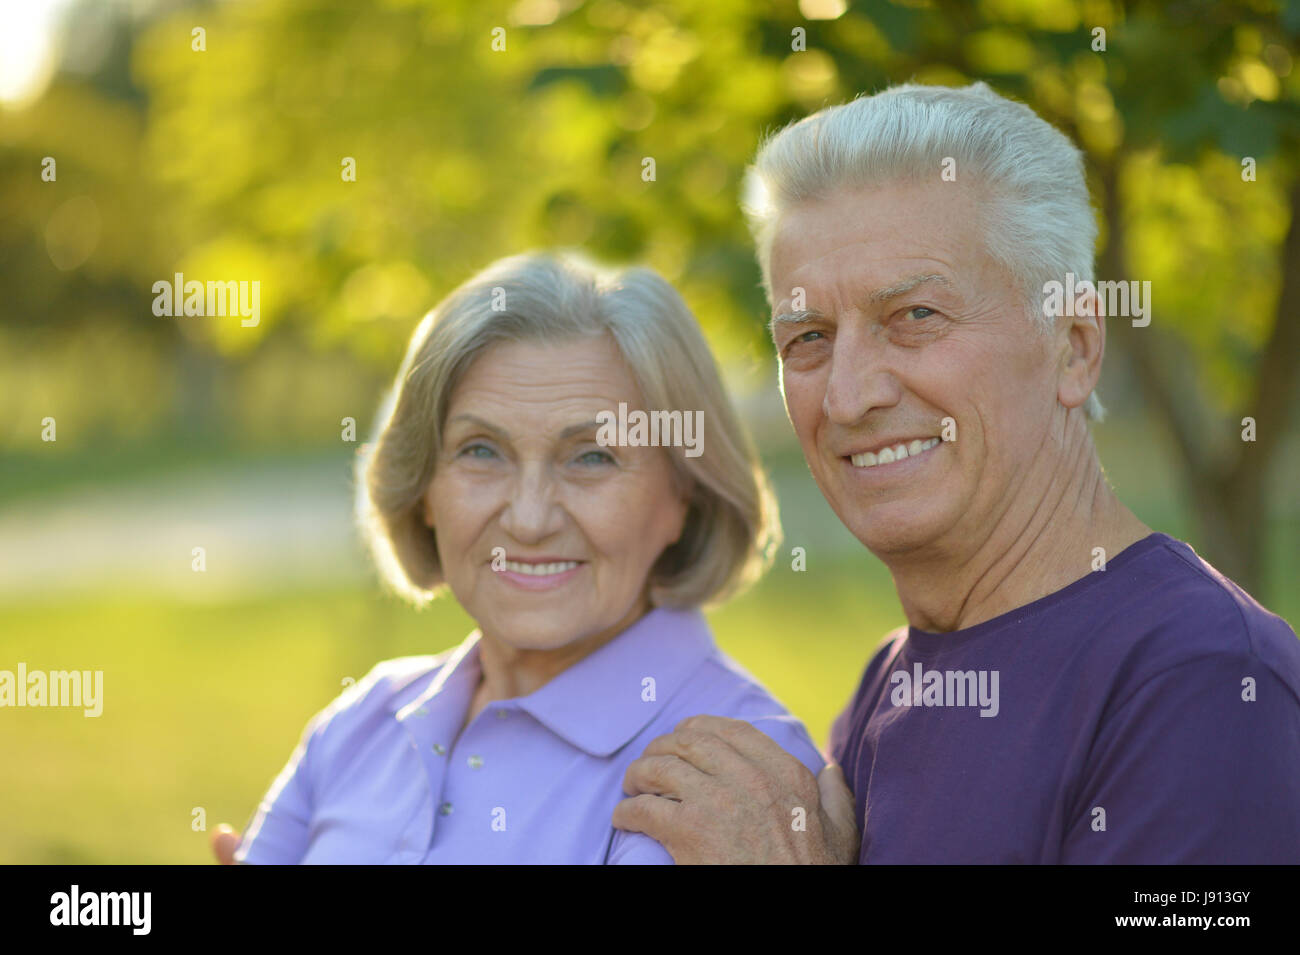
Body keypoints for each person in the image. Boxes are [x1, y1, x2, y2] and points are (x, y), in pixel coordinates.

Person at [612, 82, 1300, 864]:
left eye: (916, 317)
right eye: (806, 337)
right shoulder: (896, 675)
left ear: (1072, 347)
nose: (848, 395)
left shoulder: (1201, 678)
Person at [226, 251, 823, 863]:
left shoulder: (734, 779)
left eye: (592, 457)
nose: (530, 519)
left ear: (683, 497)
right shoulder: (363, 721)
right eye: (481, 451)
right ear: (424, 489)